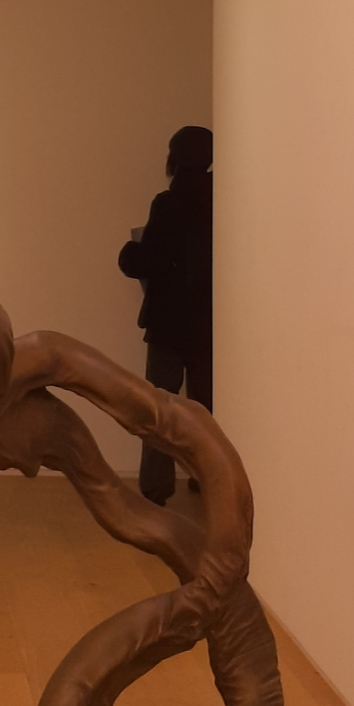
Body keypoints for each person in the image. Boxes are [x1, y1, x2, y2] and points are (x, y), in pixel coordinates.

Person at [117, 125, 214, 506]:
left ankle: (156, 485)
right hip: (210, 323)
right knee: (207, 408)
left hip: (169, 323)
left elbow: (149, 259)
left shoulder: (168, 203)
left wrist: (128, 253)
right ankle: (209, 477)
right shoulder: (224, 199)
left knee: (158, 407)